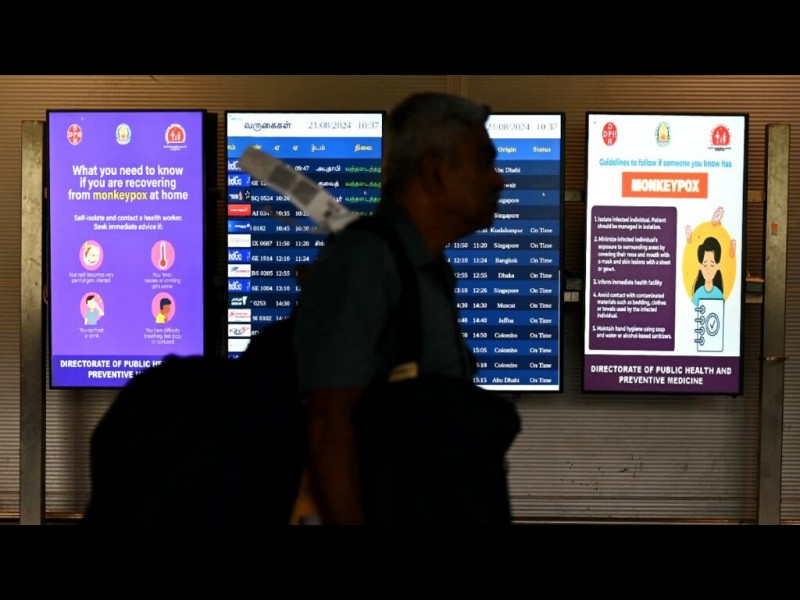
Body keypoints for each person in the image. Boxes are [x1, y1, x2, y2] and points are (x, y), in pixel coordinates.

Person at [292, 92, 507, 525]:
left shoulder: (425, 269)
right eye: (485, 162)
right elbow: (328, 425)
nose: (497, 180)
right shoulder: (365, 262)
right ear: (434, 171)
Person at [692, 236, 724, 305]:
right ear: (700, 266)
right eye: (705, 264)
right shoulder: (697, 294)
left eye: (712, 264)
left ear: (717, 266)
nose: (708, 269)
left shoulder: (719, 294)